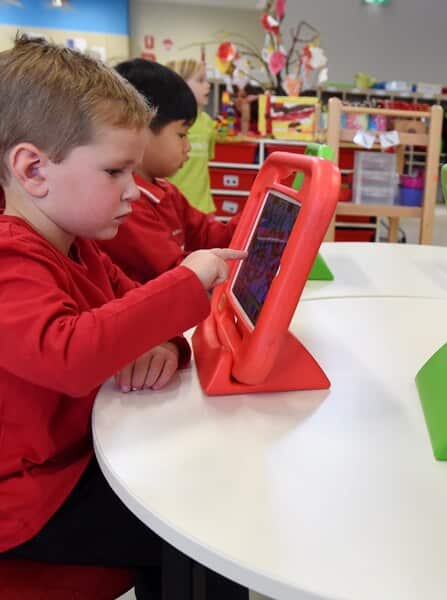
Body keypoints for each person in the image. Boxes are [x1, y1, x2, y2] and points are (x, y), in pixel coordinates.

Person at [0, 37, 244, 598]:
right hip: (26, 498)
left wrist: (170, 348)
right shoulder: (11, 257)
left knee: (197, 499)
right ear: (33, 169)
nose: (136, 192)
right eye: (115, 172)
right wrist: (191, 279)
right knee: (203, 533)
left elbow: (141, 314)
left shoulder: (82, 247)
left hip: (75, 461)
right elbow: (69, 353)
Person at [98, 58, 239, 283]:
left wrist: (261, 215)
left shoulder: (166, 191)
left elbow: (210, 236)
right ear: (140, 130)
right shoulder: (128, 205)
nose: (188, 147)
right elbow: (174, 272)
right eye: (181, 135)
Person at [166, 58, 217, 214]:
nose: (208, 85)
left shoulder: (207, 123)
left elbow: (203, 166)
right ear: (180, 85)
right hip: (173, 208)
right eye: (201, 80)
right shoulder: (168, 123)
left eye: (206, 80)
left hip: (203, 208)